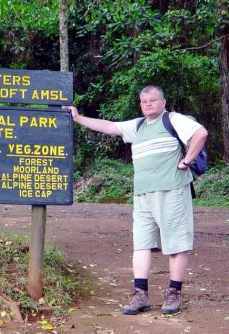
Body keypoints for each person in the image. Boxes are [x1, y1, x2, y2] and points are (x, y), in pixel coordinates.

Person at [66, 85, 208, 315]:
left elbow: (200, 133)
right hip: (142, 195)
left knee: (176, 244)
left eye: (153, 100)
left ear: (163, 102)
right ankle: (140, 294)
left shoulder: (172, 120)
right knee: (141, 245)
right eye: (144, 102)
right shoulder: (138, 126)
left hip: (171, 190)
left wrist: (187, 161)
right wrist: (78, 118)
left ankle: (174, 293)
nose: (149, 104)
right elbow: (110, 127)